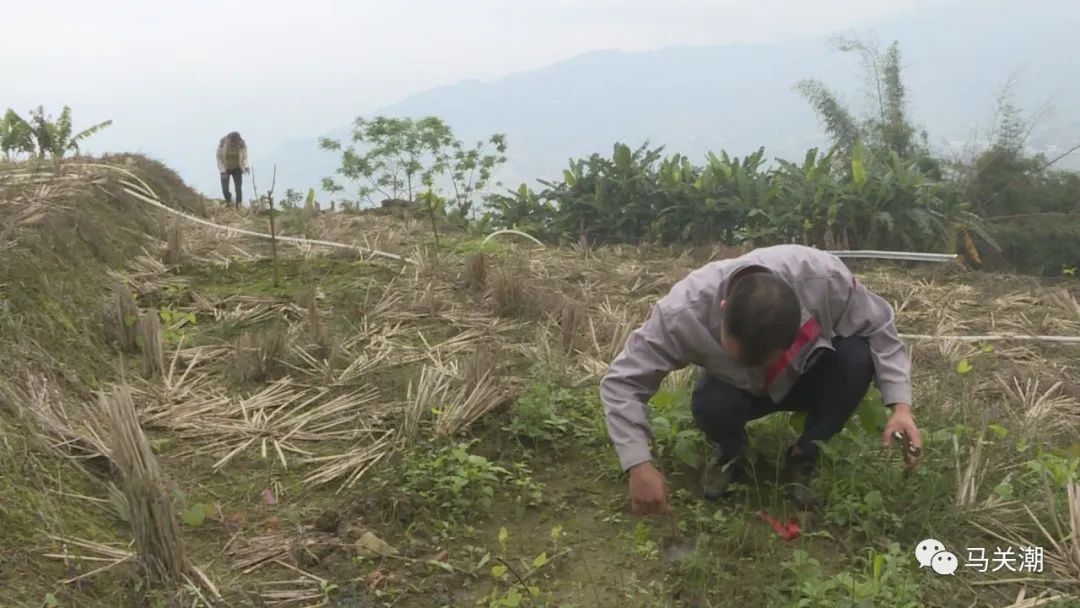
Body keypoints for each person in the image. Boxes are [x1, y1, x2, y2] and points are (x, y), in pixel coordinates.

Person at [599, 244, 921, 515]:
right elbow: (622, 382)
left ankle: (804, 455)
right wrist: (638, 464)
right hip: (734, 391)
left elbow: (879, 327)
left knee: (857, 358)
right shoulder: (682, 312)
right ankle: (732, 454)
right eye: (738, 356)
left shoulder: (823, 278)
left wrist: (901, 407)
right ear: (723, 309)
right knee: (711, 405)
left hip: (808, 374)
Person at [217, 131, 249, 206]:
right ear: (228, 139)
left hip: (237, 168)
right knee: (225, 189)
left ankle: (239, 205)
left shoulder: (242, 145)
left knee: (238, 188)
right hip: (225, 168)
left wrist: (246, 166)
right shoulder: (222, 144)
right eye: (231, 143)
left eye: (234, 143)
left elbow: (244, 157)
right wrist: (223, 171)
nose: (232, 145)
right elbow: (219, 158)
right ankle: (229, 201)